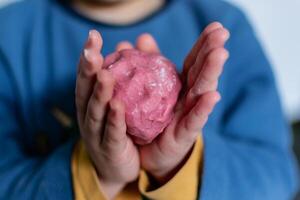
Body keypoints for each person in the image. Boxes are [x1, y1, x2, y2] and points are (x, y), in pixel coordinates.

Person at [0, 0, 298, 199]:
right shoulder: (10, 34)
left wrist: (180, 164)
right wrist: (93, 170)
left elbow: (276, 176)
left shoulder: (226, 23)